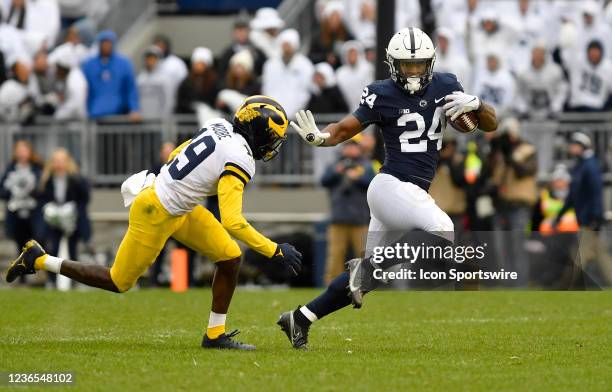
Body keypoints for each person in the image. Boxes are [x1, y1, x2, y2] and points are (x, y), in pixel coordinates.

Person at [6, 95, 303, 351]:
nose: (271, 146)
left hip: (179, 206)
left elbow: (176, 153)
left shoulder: (220, 125)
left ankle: (215, 334)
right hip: (156, 210)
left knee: (230, 258)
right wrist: (274, 249)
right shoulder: (241, 158)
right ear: (257, 130)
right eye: (271, 137)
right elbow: (233, 221)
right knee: (118, 281)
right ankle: (39, 259)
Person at [279, 27, 497, 349]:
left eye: (419, 64)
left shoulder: (448, 85)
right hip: (390, 186)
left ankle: (300, 318)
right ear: (393, 64)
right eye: (406, 65)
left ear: (430, 62)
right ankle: (365, 267)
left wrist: (477, 104)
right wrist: (321, 139)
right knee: (442, 228)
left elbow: (491, 124)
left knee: (370, 278)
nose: (412, 71)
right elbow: (344, 129)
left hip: (411, 194)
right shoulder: (381, 92)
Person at [553, 132, 612, 286]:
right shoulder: (581, 165)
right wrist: (560, 215)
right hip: (586, 217)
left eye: (574, 145)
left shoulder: (590, 166)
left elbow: (595, 194)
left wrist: (596, 217)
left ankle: (564, 285)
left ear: (582, 146)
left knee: (579, 255)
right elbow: (573, 196)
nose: (571, 148)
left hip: (589, 218)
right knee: (601, 255)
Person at [488, 118, 537, 287]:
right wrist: (494, 150)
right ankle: (507, 282)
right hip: (502, 205)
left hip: (519, 206)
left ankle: (520, 283)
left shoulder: (527, 149)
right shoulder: (500, 152)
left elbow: (525, 171)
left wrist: (510, 156)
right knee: (502, 247)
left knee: (517, 246)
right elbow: (493, 176)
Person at [321, 137, 374, 283]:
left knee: (363, 253)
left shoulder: (366, 166)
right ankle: (331, 284)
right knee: (335, 255)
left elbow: (373, 184)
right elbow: (324, 181)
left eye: (354, 146)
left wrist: (358, 178)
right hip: (338, 218)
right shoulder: (334, 165)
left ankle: (365, 282)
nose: (350, 149)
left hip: (360, 218)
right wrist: (337, 172)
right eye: (348, 146)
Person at [39, 148, 91, 288]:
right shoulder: (47, 179)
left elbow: (85, 198)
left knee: (72, 251)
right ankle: (52, 281)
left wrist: (71, 210)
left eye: (62, 161)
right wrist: (51, 209)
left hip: (72, 221)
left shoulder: (76, 178)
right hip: (53, 220)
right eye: (56, 161)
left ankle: (74, 281)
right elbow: (42, 198)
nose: (59, 164)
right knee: (52, 249)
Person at [0, 140, 44, 275]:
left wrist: (32, 191)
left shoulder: (37, 168)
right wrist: (11, 190)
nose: (21, 153)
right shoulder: (10, 168)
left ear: (30, 151)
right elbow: (2, 191)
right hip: (15, 214)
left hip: (33, 214)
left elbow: (43, 190)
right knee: (20, 243)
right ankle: (22, 273)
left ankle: (36, 271)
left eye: (24, 150)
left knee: (36, 241)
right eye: (18, 150)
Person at [81, 30, 140, 120]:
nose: (106, 46)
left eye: (108, 43)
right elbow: (83, 89)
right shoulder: (89, 65)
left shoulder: (124, 64)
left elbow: (131, 88)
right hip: (95, 115)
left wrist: (134, 108)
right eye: (103, 43)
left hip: (119, 115)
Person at [262, 29, 313, 117]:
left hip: (296, 116)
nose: (286, 48)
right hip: (273, 114)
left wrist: (294, 113)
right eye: (284, 44)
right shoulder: (271, 64)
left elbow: (305, 92)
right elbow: (267, 88)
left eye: (288, 45)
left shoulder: (305, 65)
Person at [515, 43, 568, 120]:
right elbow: (517, 93)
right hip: (529, 115)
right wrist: (523, 108)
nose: (537, 57)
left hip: (551, 114)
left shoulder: (556, 71)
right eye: (535, 54)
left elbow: (562, 90)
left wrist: (555, 106)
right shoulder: (523, 73)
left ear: (544, 55)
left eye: (540, 54)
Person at [563, 40, 612, 111]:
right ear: (587, 52)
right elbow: (565, 58)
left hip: (596, 106)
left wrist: (604, 109)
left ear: (601, 53)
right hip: (576, 104)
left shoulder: (608, 67)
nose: (594, 54)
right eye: (592, 51)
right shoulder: (577, 62)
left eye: (596, 51)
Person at [48, 43, 87, 120]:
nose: (56, 70)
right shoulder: (67, 78)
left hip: (77, 124)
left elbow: (76, 103)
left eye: (58, 67)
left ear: (63, 66)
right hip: (70, 123)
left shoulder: (75, 80)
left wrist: (59, 115)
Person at [175, 47, 218, 114]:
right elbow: (181, 100)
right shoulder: (186, 81)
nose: (199, 67)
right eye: (197, 64)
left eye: (202, 64)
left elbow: (214, 99)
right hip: (189, 117)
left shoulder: (213, 82)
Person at [309, 1, 352, 68]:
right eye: (332, 17)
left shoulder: (346, 33)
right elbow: (311, 56)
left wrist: (338, 58)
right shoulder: (319, 36)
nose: (335, 20)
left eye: (337, 17)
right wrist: (325, 57)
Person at [336, 40, 373, 111]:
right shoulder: (340, 73)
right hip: (346, 111)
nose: (352, 56)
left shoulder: (368, 69)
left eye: (354, 53)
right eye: (349, 53)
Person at [137, 45, 174, 119]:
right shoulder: (140, 78)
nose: (150, 61)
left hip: (159, 120)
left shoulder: (165, 79)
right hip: (143, 119)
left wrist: (164, 117)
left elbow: (168, 100)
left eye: (153, 58)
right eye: (148, 58)